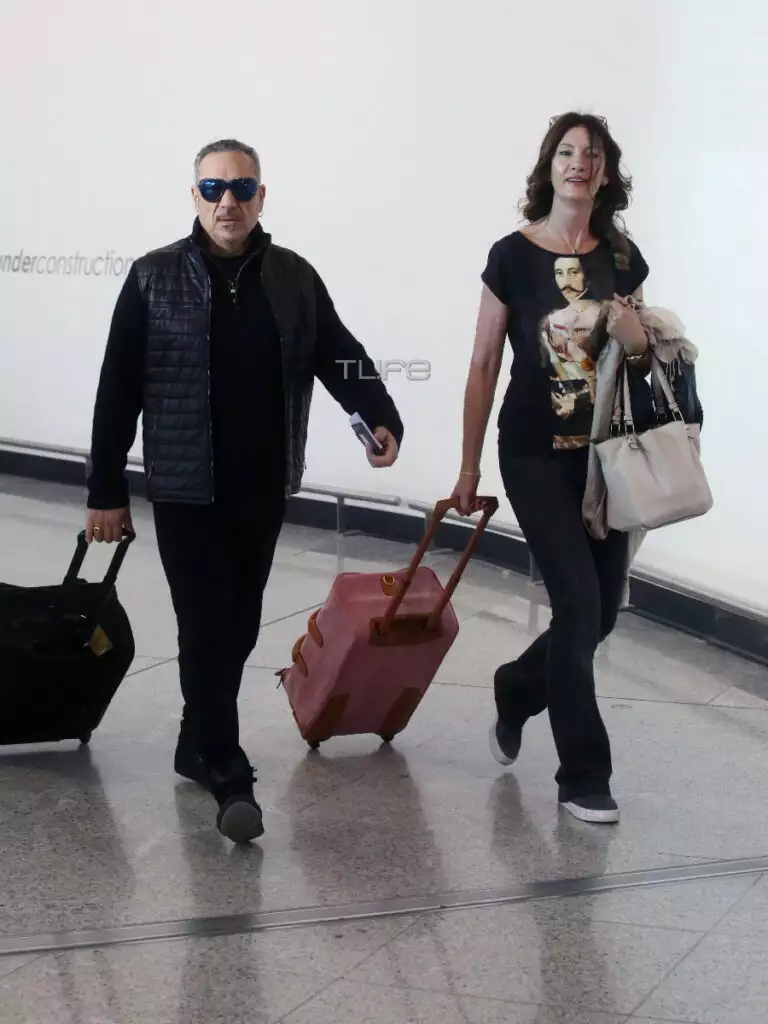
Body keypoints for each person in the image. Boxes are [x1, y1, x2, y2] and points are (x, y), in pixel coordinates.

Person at [85, 138, 404, 843]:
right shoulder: (152, 277)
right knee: (206, 623)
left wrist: (381, 416)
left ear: (261, 196)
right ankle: (227, 768)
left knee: (241, 622)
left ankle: (194, 739)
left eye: (240, 187)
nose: (226, 201)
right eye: (212, 188)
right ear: (194, 196)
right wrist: (105, 488)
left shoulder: (293, 277)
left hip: (262, 485)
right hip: (185, 488)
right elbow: (117, 388)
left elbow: (340, 354)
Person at [451, 112, 651, 824]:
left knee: (599, 617)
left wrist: (633, 336)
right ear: (550, 166)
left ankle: (515, 688)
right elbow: (483, 364)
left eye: (591, 154)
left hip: (604, 458)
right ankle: (583, 776)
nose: (579, 163)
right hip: (533, 451)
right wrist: (469, 468)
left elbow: (640, 361)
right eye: (567, 152)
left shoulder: (622, 258)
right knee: (577, 606)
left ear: (605, 171)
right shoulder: (511, 255)